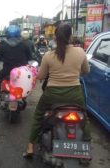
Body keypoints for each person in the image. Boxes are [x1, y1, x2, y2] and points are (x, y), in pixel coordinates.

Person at [23, 23, 91, 158]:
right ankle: (87, 145)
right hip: (75, 94)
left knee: (38, 116)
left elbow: (41, 76)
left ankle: (30, 146)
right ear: (71, 36)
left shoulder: (48, 55)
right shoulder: (80, 52)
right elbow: (86, 71)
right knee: (84, 117)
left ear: (55, 37)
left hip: (52, 95)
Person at [0, 25, 32, 92]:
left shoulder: (3, 45)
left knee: (0, 76)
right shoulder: (24, 45)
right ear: (18, 34)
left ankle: (0, 91)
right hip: (22, 72)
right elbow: (30, 57)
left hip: (6, 71)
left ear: (7, 34)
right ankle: (24, 96)